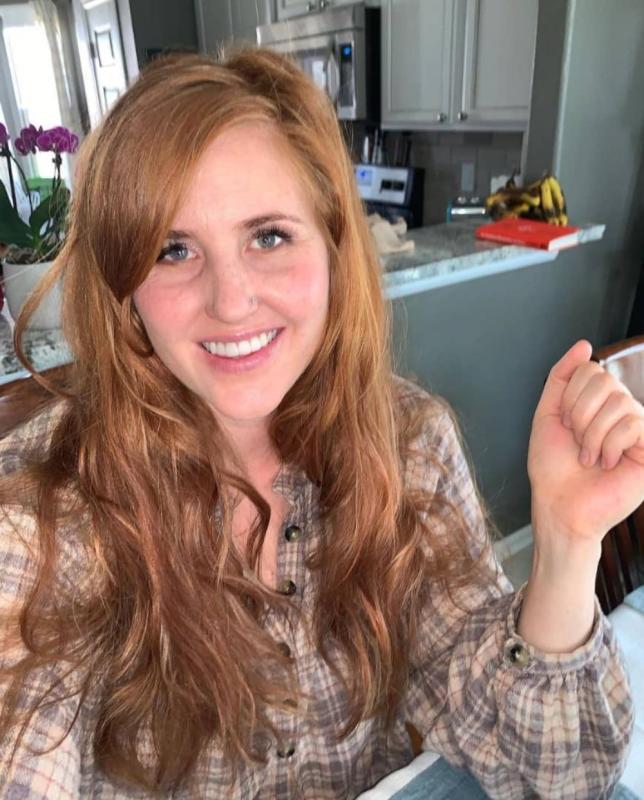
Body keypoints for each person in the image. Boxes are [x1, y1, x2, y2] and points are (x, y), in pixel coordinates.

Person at [0, 48, 640, 800]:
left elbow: (556, 773)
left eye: (269, 235)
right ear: (124, 290)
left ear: (333, 248)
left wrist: (565, 544)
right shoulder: (48, 508)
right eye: (173, 250)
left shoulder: (408, 442)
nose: (231, 301)